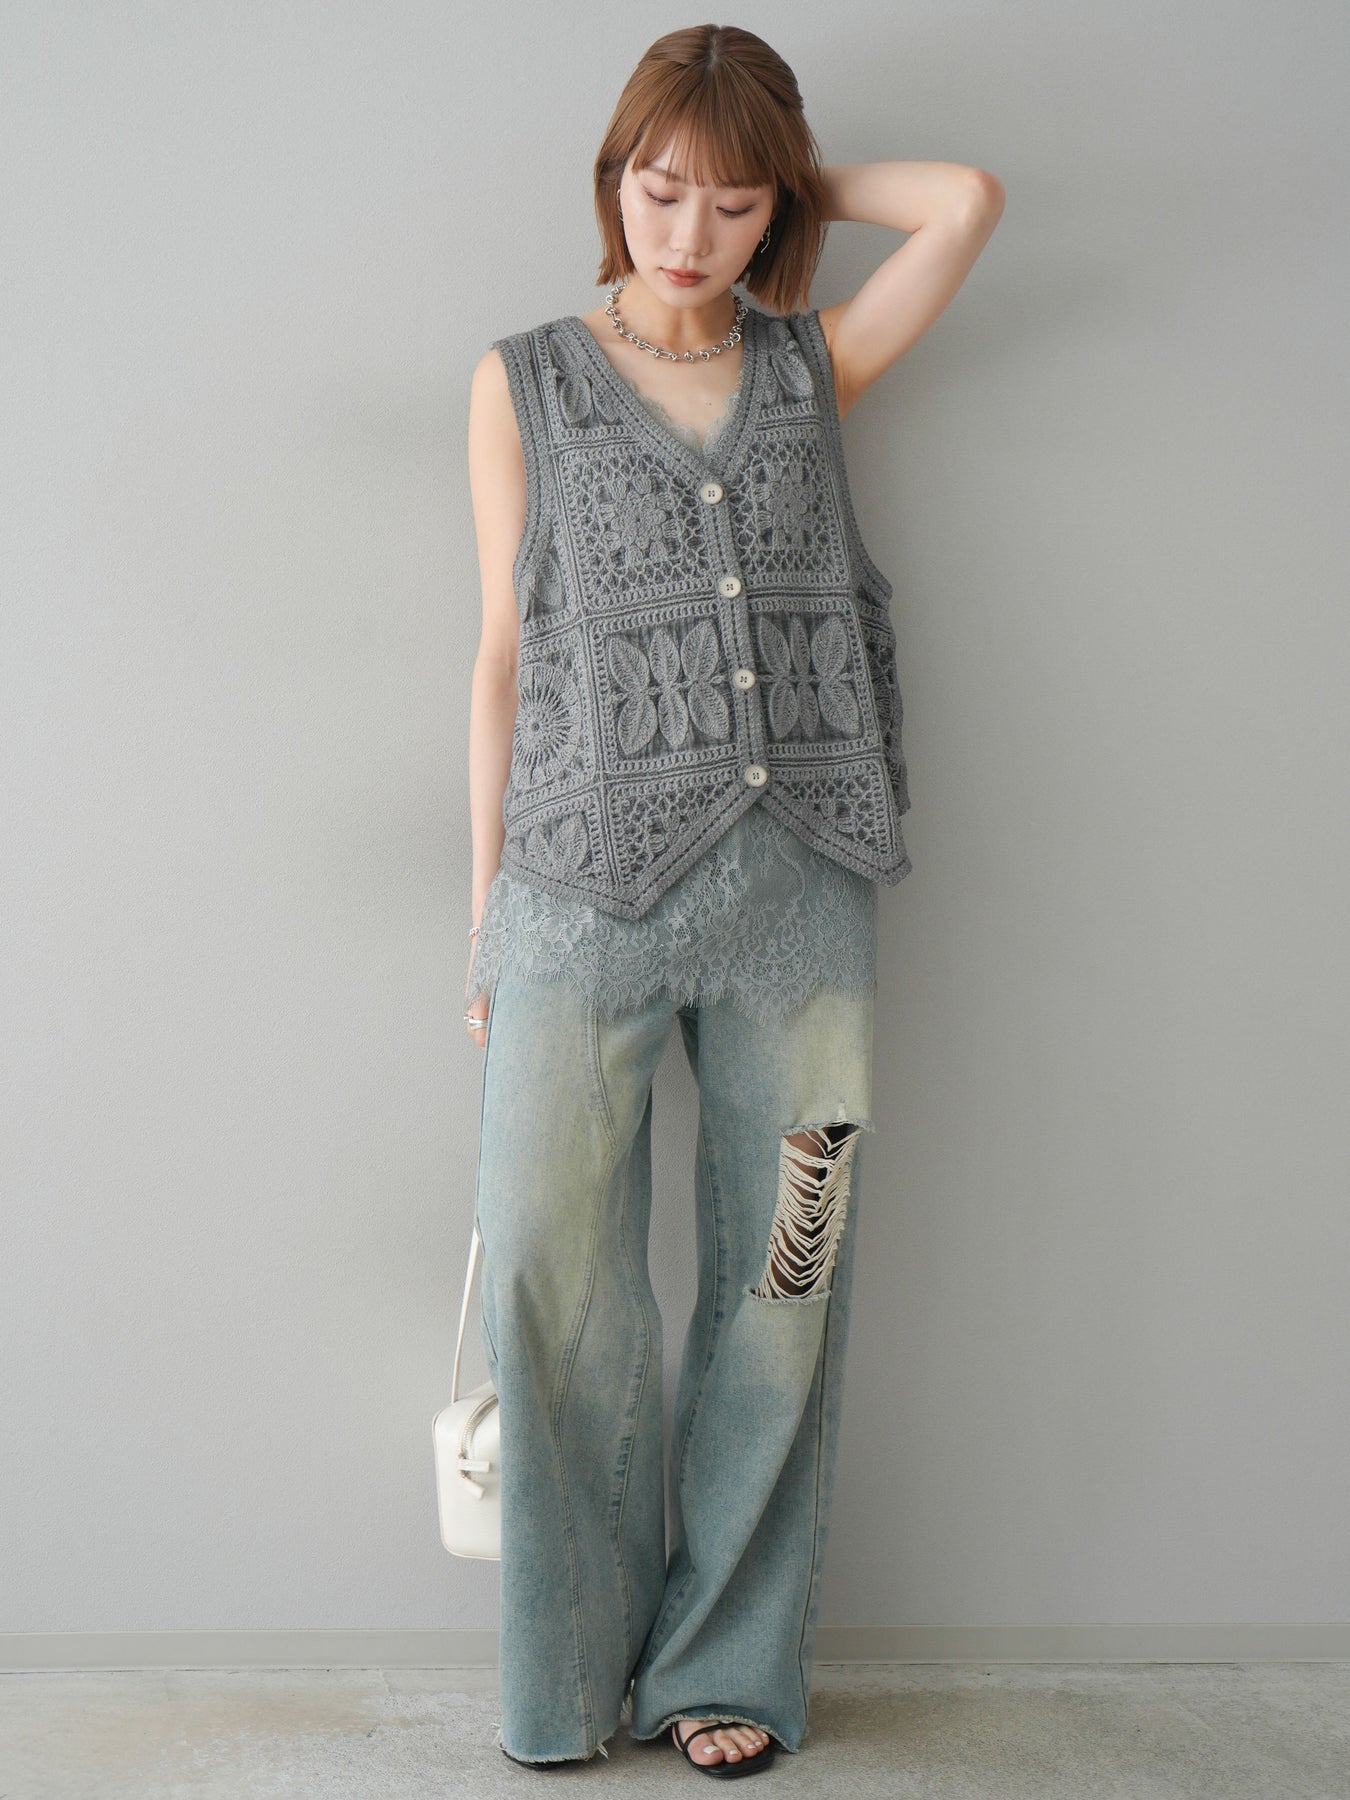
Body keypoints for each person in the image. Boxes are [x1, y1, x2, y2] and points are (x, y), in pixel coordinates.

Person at [462, 22, 1003, 1776]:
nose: (685, 231)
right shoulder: (526, 380)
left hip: (800, 911)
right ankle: (564, 1680)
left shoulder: (810, 365)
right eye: (655, 187)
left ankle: (725, 1671)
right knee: (553, 1286)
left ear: (776, 213)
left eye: (730, 201)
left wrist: (780, 165)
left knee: (788, 1280)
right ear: (609, 185)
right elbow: (499, 657)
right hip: (575, 902)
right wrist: (483, 918)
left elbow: (964, 200)